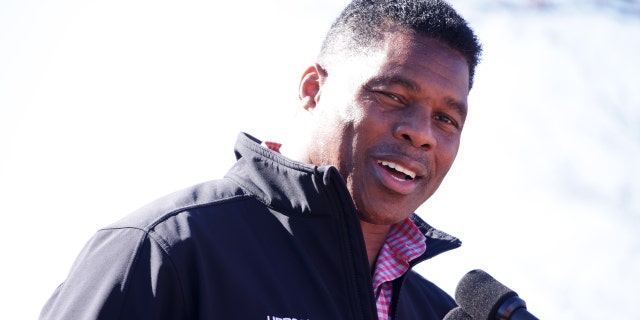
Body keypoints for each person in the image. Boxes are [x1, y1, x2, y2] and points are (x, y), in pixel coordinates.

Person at [39, 0, 481, 319]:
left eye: (446, 119)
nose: (421, 133)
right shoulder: (167, 251)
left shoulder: (440, 314)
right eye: (393, 96)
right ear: (313, 89)